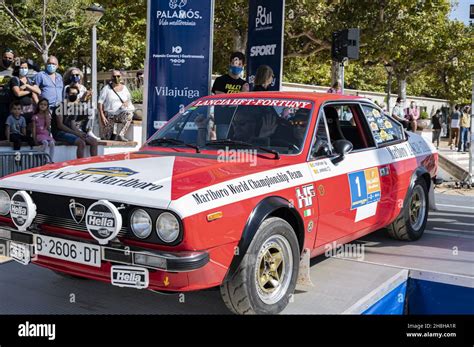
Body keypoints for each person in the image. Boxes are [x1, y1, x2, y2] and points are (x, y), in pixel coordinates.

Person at [211, 52, 249, 139]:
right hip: (223, 120)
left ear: (243, 65)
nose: (236, 66)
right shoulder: (220, 80)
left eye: (239, 64)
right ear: (230, 63)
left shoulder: (244, 84)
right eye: (234, 63)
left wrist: (239, 97)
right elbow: (222, 100)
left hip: (239, 123)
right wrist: (241, 94)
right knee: (222, 146)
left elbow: (244, 103)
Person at [53, 86, 98, 159]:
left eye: (76, 94)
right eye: (72, 93)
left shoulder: (73, 107)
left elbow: (73, 125)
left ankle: (94, 163)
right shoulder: (60, 106)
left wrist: (80, 133)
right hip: (59, 132)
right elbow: (60, 125)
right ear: (67, 94)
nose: (74, 95)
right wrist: (76, 133)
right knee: (81, 143)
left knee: (94, 141)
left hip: (70, 132)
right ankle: (80, 164)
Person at [98, 70, 135, 141]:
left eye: (118, 76)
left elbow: (129, 98)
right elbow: (100, 102)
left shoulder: (124, 88)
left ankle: (121, 135)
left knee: (130, 114)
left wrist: (126, 102)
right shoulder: (106, 88)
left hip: (121, 114)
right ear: (111, 77)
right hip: (109, 116)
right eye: (114, 76)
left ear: (121, 77)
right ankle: (111, 134)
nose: (116, 78)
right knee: (108, 138)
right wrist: (102, 116)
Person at [10, 59, 41, 129]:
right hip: (18, 111)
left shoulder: (30, 80)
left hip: (30, 111)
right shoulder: (15, 79)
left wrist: (27, 86)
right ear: (18, 68)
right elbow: (18, 93)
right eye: (22, 68)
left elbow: (38, 91)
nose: (24, 69)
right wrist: (30, 90)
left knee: (28, 133)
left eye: (25, 68)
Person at [0, 48, 15, 140]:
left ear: (13, 59)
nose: (7, 60)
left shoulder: (15, 72)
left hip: (12, 105)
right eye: (5, 57)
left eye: (10, 58)